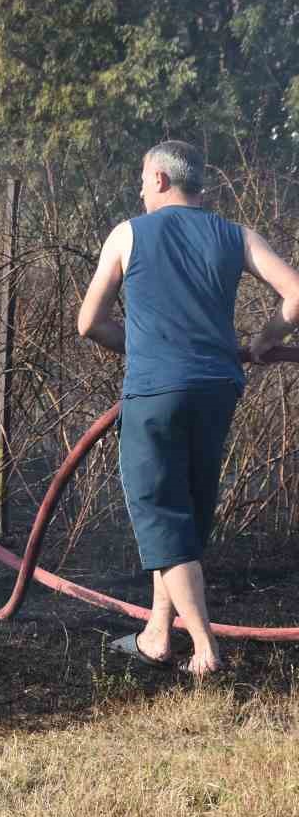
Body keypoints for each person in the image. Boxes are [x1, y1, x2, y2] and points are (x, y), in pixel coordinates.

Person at [78, 140, 299, 676]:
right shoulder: (235, 235)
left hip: (157, 391)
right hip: (218, 387)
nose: (138, 189)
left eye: (140, 179)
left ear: (158, 179)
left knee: (159, 513)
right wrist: (267, 339)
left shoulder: (128, 234)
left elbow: (89, 323)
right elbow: (295, 291)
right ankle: (158, 634)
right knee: (187, 510)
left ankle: (204, 648)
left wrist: (148, 344)